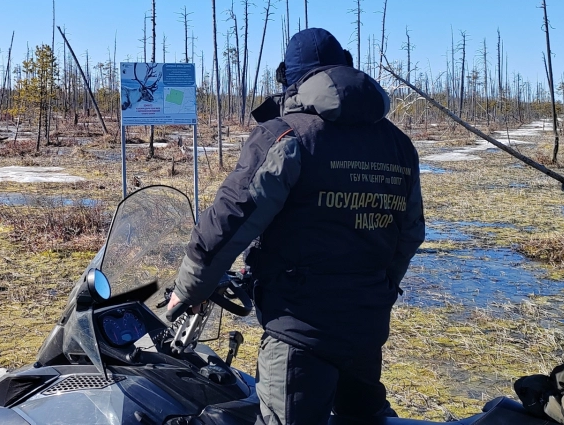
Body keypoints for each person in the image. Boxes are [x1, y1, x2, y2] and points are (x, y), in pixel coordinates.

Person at [167, 27, 424, 425]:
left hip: (299, 331)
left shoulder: (286, 135)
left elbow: (231, 219)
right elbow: (409, 234)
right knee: (362, 417)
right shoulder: (398, 144)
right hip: (366, 327)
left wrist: (189, 289)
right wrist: (377, 288)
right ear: (346, 66)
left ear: (289, 78)